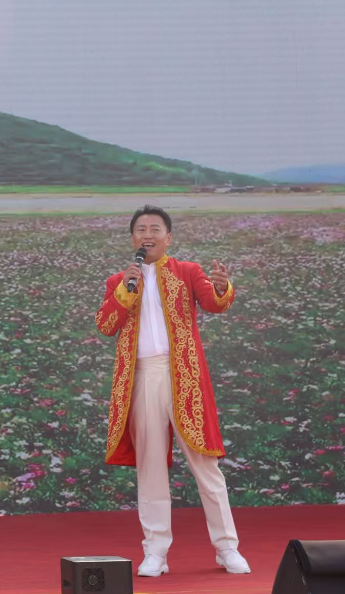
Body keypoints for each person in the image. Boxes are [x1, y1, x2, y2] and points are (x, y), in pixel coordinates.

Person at [94, 206, 251, 578]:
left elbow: (214, 303)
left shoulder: (187, 271)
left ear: (168, 237)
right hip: (141, 377)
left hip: (184, 376)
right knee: (149, 467)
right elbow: (105, 324)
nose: (147, 234)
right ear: (132, 238)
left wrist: (221, 286)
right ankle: (156, 551)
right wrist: (124, 290)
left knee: (205, 465)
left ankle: (227, 547)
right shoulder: (119, 280)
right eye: (141, 229)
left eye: (155, 228)